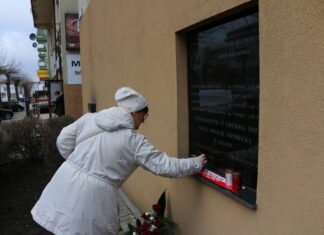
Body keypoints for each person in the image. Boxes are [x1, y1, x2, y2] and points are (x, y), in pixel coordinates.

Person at [31, 87, 207, 235]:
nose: (141, 124)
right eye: (142, 118)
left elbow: (62, 140)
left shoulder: (89, 119)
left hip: (60, 187)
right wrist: (196, 163)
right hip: (92, 202)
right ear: (134, 112)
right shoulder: (133, 141)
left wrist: (79, 163)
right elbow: (165, 166)